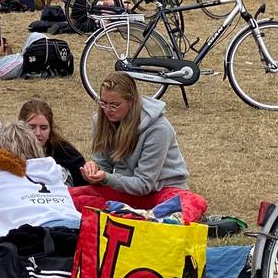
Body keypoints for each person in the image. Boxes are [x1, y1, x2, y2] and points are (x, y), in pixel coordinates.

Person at [69, 73, 208, 224]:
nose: (108, 109)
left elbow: (144, 184)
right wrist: (94, 171)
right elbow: (105, 168)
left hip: (162, 191)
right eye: (103, 103)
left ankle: (134, 216)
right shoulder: (100, 121)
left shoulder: (158, 129)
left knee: (193, 202)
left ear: (132, 101)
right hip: (128, 191)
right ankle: (140, 217)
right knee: (66, 197)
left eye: (115, 105)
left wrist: (106, 178)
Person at [0, 122, 82, 239]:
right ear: (35, 144)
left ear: (1, 150)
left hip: (39, 233)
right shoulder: (53, 169)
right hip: (78, 225)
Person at [18, 98, 88, 187]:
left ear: (50, 129)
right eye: (32, 127)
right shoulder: (9, 152)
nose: (38, 133)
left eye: (43, 128)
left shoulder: (66, 154)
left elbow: (84, 186)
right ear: (20, 127)